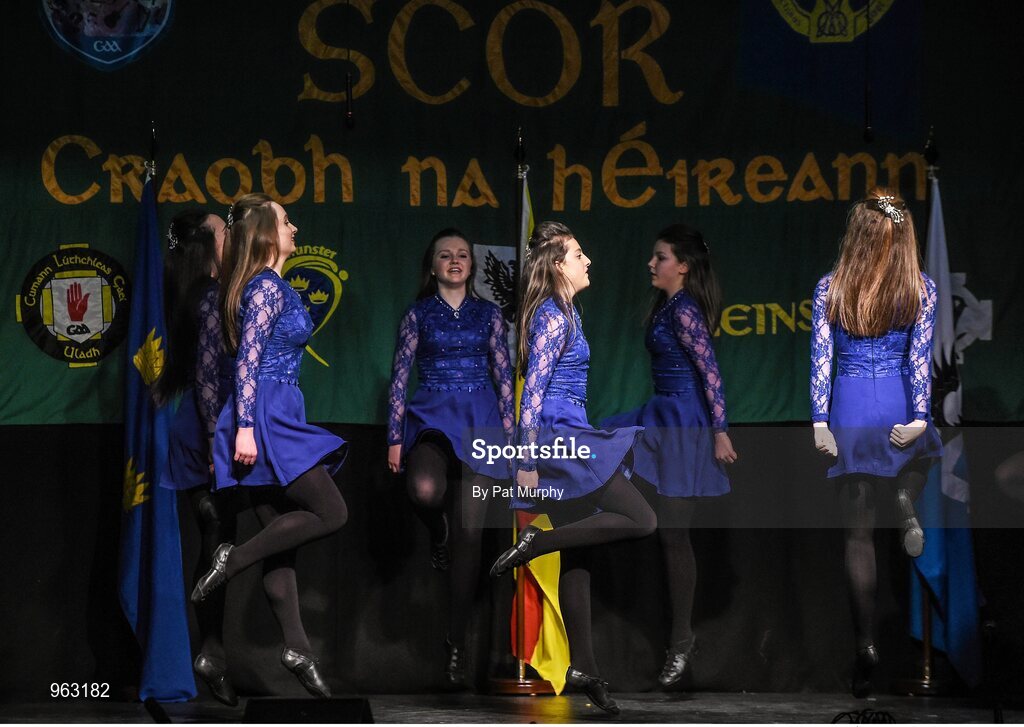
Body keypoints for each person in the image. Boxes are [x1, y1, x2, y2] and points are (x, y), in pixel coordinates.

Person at [489, 221, 657, 715]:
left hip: (570, 424)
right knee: (642, 519)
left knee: (579, 553)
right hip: (560, 435)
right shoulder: (552, 316)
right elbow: (533, 391)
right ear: (558, 264)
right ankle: (536, 543)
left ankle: (583, 664)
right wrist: (525, 457)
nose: (588, 261)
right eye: (579, 254)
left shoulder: (566, 312)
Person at [192, 193, 348, 698]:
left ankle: (297, 648)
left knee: (283, 542)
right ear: (265, 231)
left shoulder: (274, 285)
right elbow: (247, 361)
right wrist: (243, 428)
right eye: (286, 220)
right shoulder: (263, 288)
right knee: (332, 511)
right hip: (265, 417)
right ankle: (232, 561)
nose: (294, 227)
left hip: (279, 411)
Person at [810, 188, 942, 698]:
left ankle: (865, 643)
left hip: (849, 407)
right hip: (895, 400)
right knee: (920, 457)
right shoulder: (920, 288)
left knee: (858, 538)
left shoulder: (831, 287)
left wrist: (820, 421)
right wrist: (918, 416)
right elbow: (918, 361)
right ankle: (906, 492)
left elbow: (822, 358)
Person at [602, 223, 737, 689]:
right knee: (606, 460)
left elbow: (710, 373)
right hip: (661, 412)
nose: (651, 263)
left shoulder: (685, 311)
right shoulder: (667, 306)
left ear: (682, 266)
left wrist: (720, 432)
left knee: (674, 535)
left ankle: (681, 643)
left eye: (659, 256)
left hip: (684, 424)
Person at [386, 228, 515, 686]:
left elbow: (503, 376)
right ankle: (436, 532)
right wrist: (394, 437)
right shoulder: (418, 313)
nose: (455, 261)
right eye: (446, 255)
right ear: (434, 265)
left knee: (472, 537)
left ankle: (456, 641)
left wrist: (513, 439)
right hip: (433, 415)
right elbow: (400, 376)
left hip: (482, 421)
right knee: (424, 492)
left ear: (472, 265)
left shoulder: (490, 314)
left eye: (462, 255)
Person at [155, 209, 240, 705]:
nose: (232, 237)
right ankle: (210, 649)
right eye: (226, 232)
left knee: (216, 539)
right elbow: (211, 380)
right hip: (210, 429)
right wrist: (215, 444)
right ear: (209, 245)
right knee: (219, 541)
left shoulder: (194, 293)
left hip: (200, 428)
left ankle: (213, 650)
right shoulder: (210, 297)